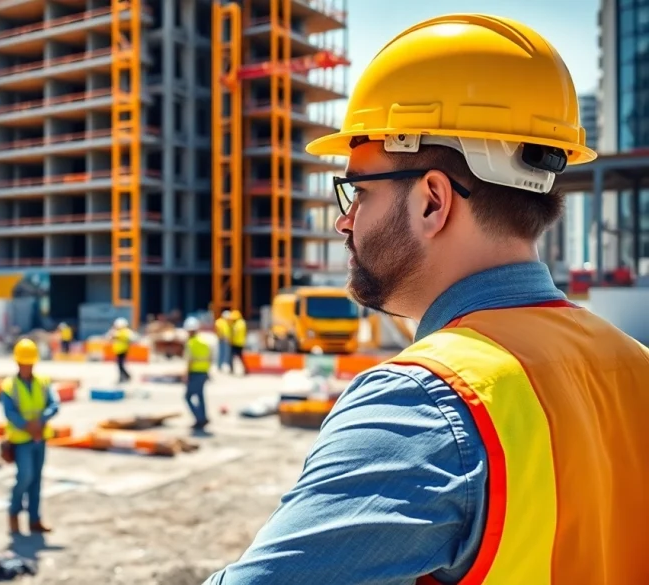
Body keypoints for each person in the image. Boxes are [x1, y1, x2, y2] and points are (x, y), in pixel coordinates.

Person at [205, 13, 649, 585]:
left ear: (432, 202)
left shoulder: (423, 404)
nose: (344, 221)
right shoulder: (635, 367)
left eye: (358, 191)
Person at [0, 338, 59, 536]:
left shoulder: (43, 382)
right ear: (17, 363)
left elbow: (54, 404)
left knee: (36, 480)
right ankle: (13, 513)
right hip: (21, 440)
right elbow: (10, 413)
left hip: (39, 438)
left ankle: (35, 519)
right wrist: (28, 426)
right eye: (24, 363)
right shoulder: (9, 386)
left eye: (30, 363)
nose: (27, 366)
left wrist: (41, 420)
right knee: (25, 476)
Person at [183, 317, 212, 430]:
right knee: (200, 396)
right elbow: (210, 357)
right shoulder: (205, 342)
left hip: (194, 372)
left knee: (187, 396)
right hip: (204, 372)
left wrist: (185, 374)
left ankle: (199, 418)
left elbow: (189, 360)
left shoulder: (191, 343)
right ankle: (203, 417)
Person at [110, 317, 134, 383]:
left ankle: (123, 378)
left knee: (120, 365)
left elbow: (123, 337)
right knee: (120, 365)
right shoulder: (119, 331)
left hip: (122, 350)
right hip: (119, 350)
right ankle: (126, 376)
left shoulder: (124, 331)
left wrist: (115, 335)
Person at [226, 310, 247, 375]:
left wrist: (230, 340)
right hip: (241, 343)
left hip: (235, 343)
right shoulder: (243, 323)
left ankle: (232, 370)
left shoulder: (236, 324)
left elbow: (234, 333)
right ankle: (246, 369)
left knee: (231, 357)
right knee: (240, 357)